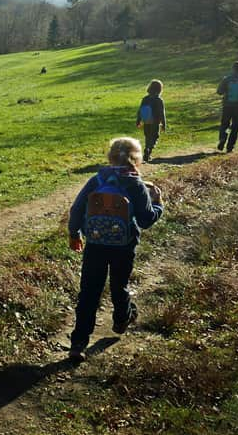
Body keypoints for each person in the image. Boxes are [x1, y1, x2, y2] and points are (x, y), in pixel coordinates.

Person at [67, 138, 164, 362]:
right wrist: (158, 204)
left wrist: (75, 233)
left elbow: (77, 207)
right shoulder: (136, 184)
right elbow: (146, 219)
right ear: (137, 159)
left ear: (110, 157)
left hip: (95, 243)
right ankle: (122, 319)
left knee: (89, 292)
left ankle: (78, 343)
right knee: (119, 284)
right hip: (124, 245)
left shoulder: (97, 179)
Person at [135, 80, 167, 162]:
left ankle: (146, 149)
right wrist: (164, 124)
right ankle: (149, 151)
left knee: (147, 136)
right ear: (159, 89)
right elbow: (161, 113)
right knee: (155, 136)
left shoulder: (145, 99)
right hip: (155, 121)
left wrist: (138, 120)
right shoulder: (159, 100)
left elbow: (140, 110)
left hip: (146, 120)